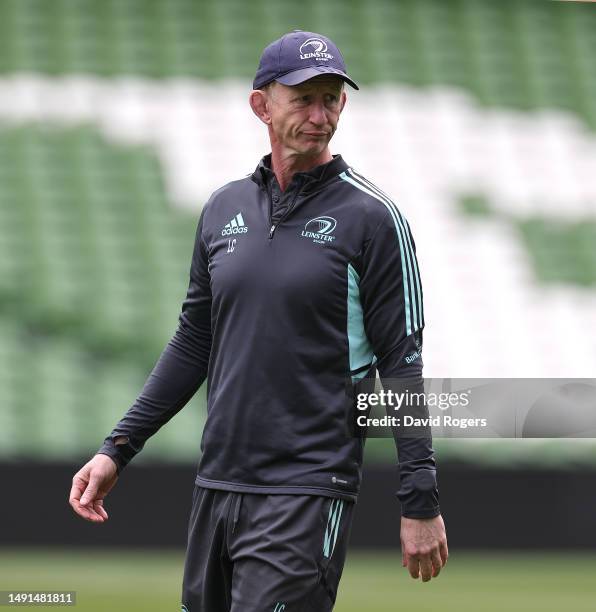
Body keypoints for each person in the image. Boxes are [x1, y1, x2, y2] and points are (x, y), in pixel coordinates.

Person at [69, 29, 448, 611]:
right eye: (303, 98)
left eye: (332, 98)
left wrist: (419, 499)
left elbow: (403, 365)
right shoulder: (223, 209)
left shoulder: (372, 219)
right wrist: (117, 448)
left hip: (307, 489)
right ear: (260, 105)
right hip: (218, 483)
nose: (321, 114)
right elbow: (195, 341)